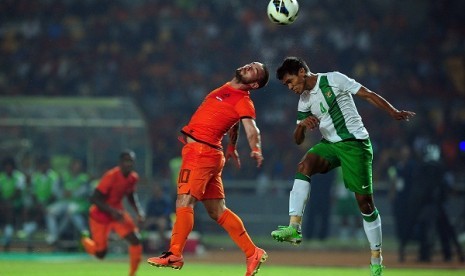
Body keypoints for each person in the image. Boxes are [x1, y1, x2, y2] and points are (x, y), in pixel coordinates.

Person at [270, 57, 416, 276]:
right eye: (286, 85)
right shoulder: (304, 101)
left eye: (290, 81)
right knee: (304, 165)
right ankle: (294, 227)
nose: (290, 87)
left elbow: (368, 94)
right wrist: (301, 125)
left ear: (301, 72)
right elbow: (298, 140)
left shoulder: (334, 79)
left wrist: (392, 111)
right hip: (330, 145)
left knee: (365, 204)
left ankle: (376, 259)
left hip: (355, 144)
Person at [147, 61, 270, 276]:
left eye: (255, 71)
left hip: (201, 154)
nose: (249, 67)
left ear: (255, 85)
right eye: (251, 64)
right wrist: (232, 145)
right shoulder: (228, 89)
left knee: (184, 200)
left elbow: (252, 128)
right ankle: (253, 253)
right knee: (217, 211)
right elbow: (234, 122)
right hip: (211, 153)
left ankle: (174, 253)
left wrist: (256, 149)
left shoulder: (244, 101)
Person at [81, 150, 145, 276]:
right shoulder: (111, 176)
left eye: (131, 161)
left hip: (117, 213)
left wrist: (139, 211)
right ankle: (85, 241)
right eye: (126, 161)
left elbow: (131, 195)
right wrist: (112, 211)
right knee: (101, 254)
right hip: (100, 215)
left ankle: (132, 274)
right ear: (120, 163)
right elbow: (94, 198)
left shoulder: (133, 177)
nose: (129, 164)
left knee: (135, 239)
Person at [0, 157, 26, 251]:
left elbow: (17, 193)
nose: (8, 168)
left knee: (9, 209)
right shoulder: (1, 177)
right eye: (6, 167)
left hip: (17, 204)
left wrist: (7, 202)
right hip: (3, 203)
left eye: (10, 166)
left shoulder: (19, 177)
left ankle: (10, 233)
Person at [143, 182, 173, 253]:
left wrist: (160, 218)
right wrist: (151, 219)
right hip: (153, 219)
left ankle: (162, 245)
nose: (155, 192)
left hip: (164, 220)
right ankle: (144, 245)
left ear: (161, 191)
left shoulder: (166, 200)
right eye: (154, 190)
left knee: (161, 223)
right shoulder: (151, 201)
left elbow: (168, 212)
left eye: (157, 190)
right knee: (144, 224)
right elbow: (148, 213)